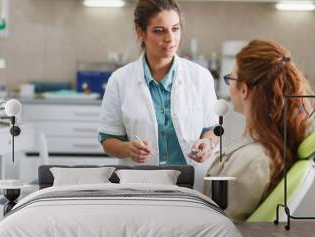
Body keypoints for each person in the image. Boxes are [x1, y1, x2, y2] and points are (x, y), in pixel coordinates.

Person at [98, 0, 219, 166]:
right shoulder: (119, 80)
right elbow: (108, 139)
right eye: (159, 31)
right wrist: (127, 149)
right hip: (140, 184)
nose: (170, 39)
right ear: (140, 32)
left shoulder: (201, 77)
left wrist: (208, 143)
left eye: (175, 29)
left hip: (190, 183)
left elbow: (212, 129)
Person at [204, 39, 313, 221]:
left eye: (231, 78)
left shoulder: (252, 162)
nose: (229, 85)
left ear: (244, 89)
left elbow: (217, 232)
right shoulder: (268, 145)